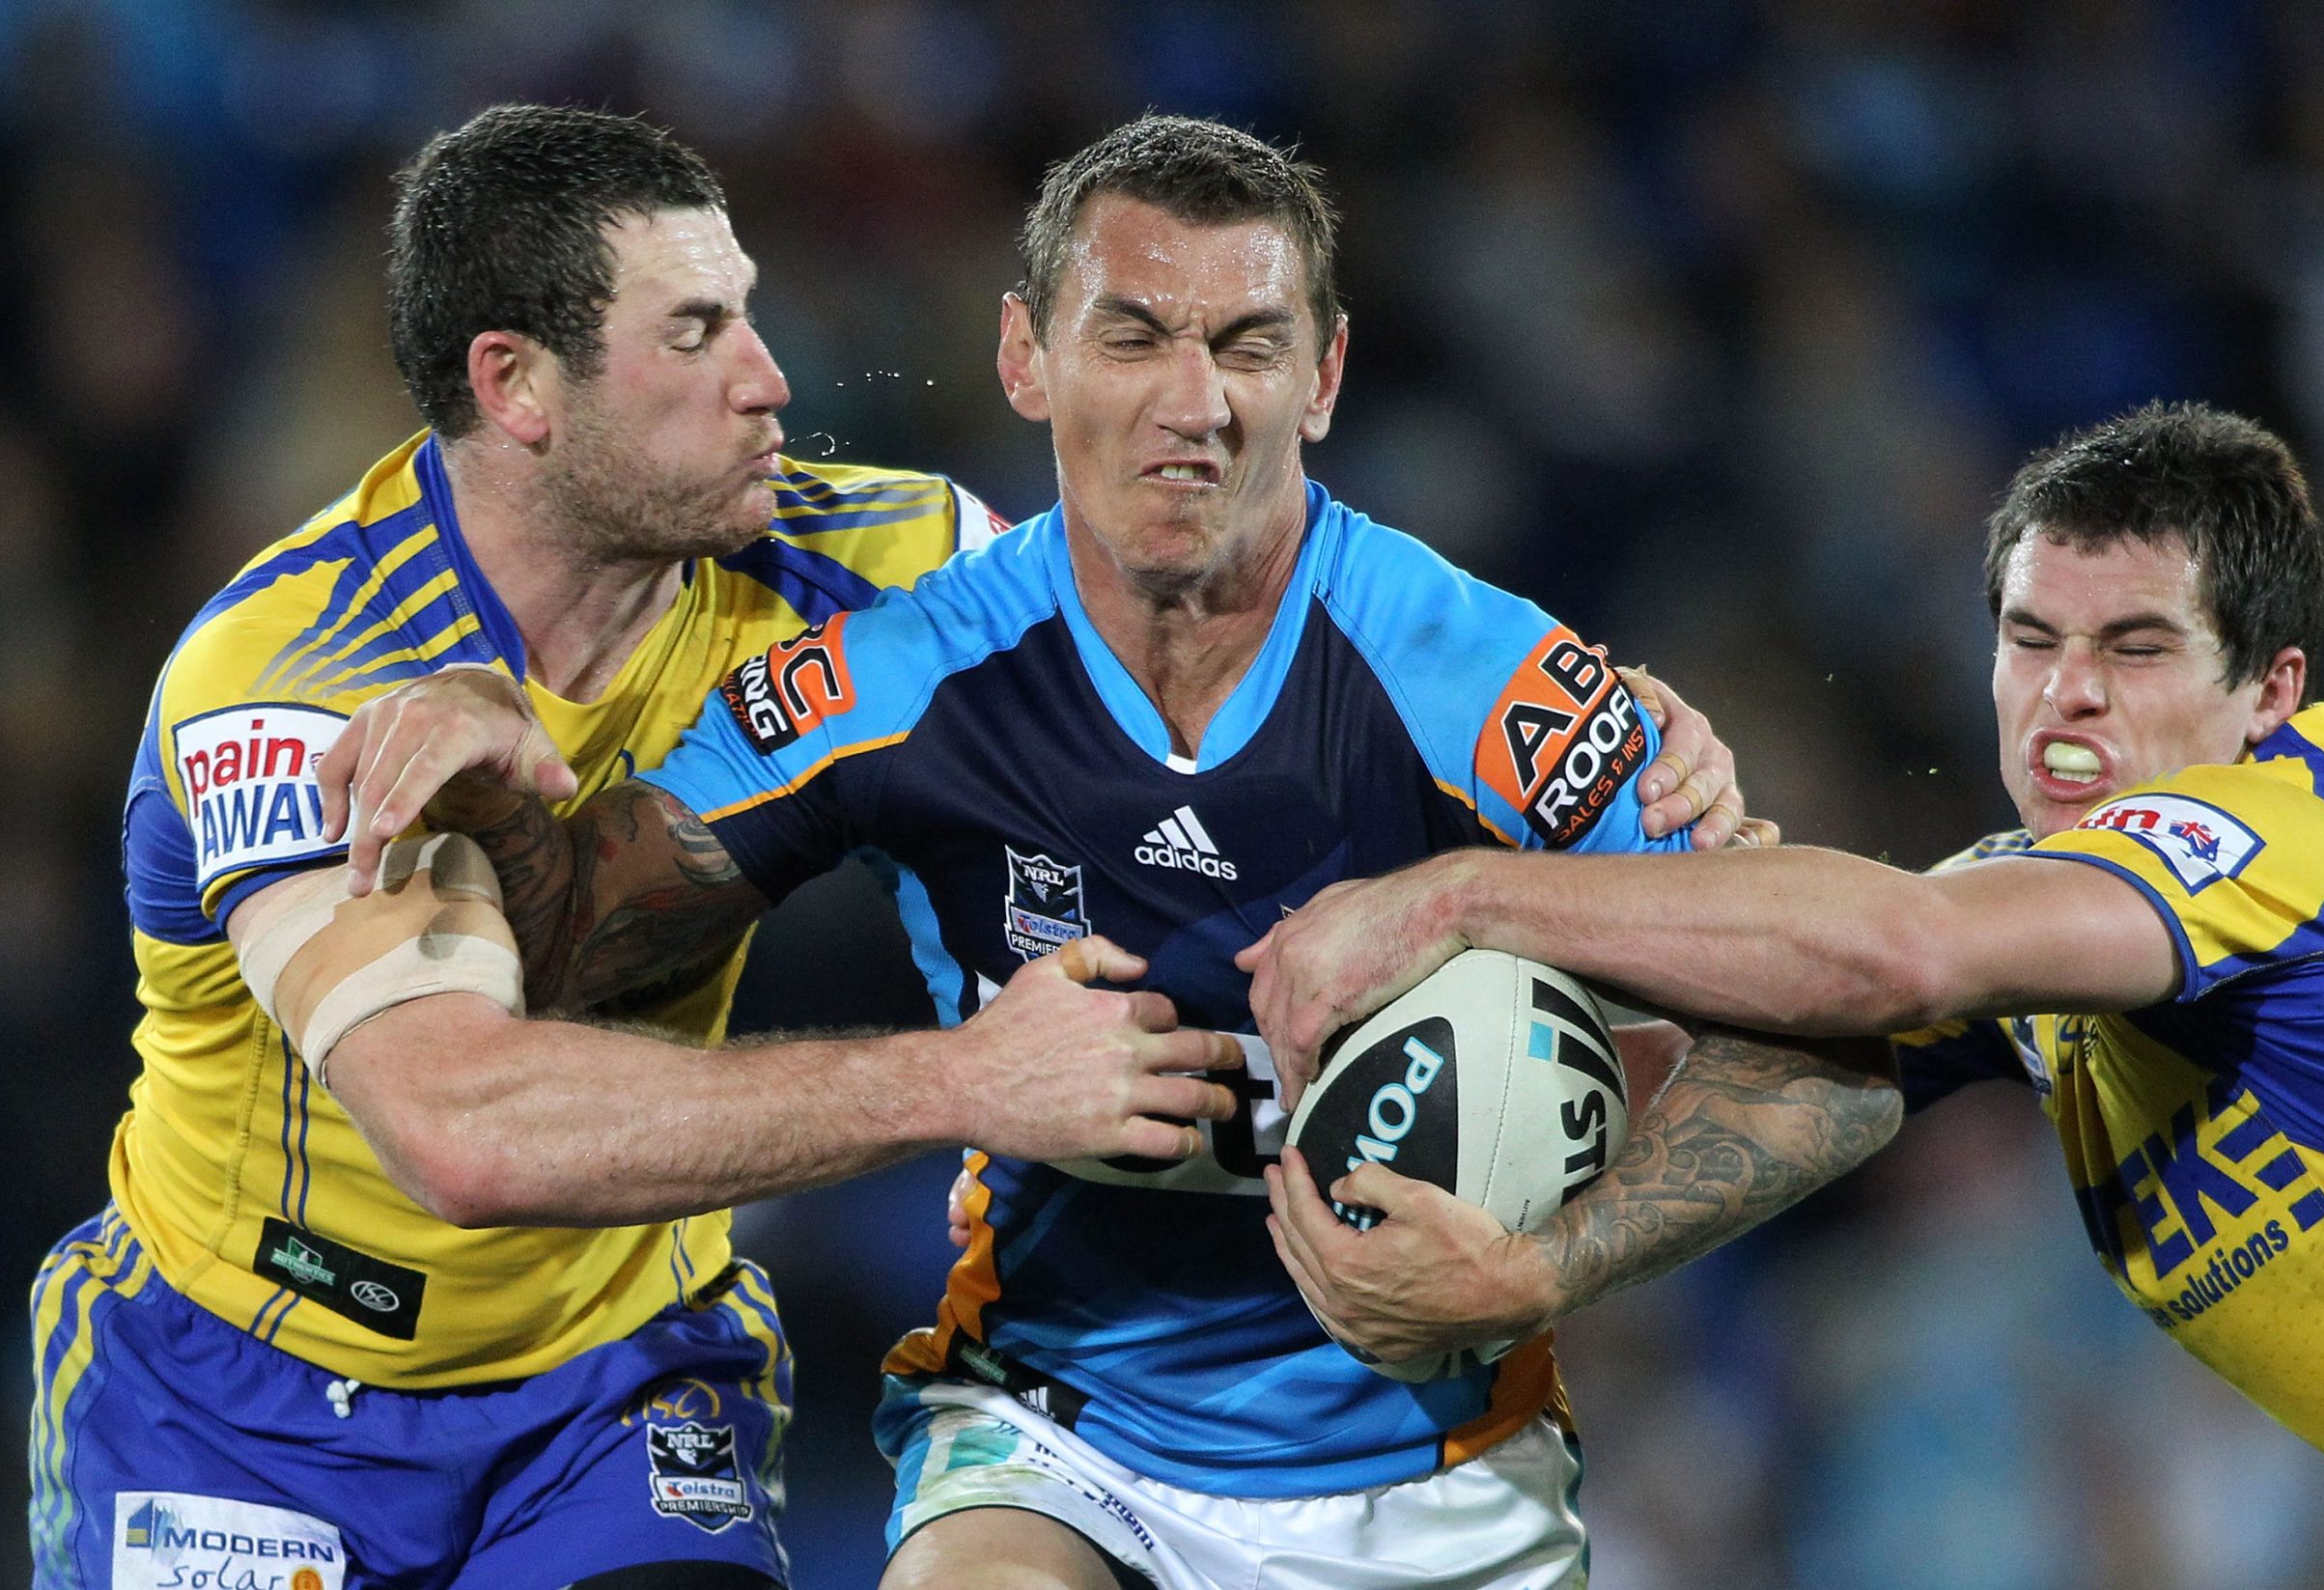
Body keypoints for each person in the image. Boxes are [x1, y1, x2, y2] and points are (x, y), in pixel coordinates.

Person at [320, 115, 1891, 1589]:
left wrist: (1555, 1269)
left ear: (1326, 374)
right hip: (1052, 1434)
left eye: (1248, 344)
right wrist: (499, 763)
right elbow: (582, 943)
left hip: (1437, 1466)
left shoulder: (1472, 676)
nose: (1190, 404)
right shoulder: (904, 672)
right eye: (1132, 334)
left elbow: (1841, 1044)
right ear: (1026, 354)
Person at [31, 102, 1263, 1590]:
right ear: (519, 384)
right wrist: (971, 1077)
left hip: (617, 1383)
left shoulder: (869, 564)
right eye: (694, 333)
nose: (769, 376)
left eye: (744, 310)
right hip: (237, 1405)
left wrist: (1550, 722)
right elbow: (461, 1130)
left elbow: (1236, 640)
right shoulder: (297, 675)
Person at [1244, 401, 2324, 1556]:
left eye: (2136, 649)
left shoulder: (2270, 839)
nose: (2067, 692)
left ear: (2270, 693)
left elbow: (1895, 952)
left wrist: (1460, 896)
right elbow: (1771, 1049)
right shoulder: (2038, 909)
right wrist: (1647, 837)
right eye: (2029, 639)